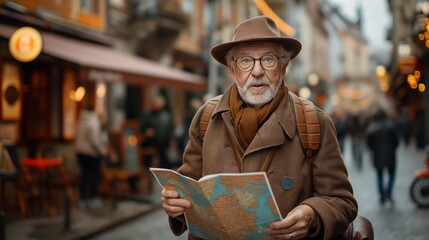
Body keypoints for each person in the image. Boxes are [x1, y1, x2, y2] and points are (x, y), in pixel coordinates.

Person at [161, 16, 357, 239]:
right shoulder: (206, 119)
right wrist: (175, 204)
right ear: (232, 71)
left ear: (283, 68)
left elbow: (343, 202)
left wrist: (313, 214)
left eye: (268, 60)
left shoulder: (314, 122)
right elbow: (189, 189)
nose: (256, 71)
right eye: (245, 61)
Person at [75, 104, 108, 209]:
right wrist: (102, 151)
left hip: (80, 152)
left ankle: (82, 199)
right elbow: (94, 140)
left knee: (84, 175)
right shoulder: (94, 122)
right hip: (91, 153)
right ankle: (93, 198)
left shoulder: (81, 120)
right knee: (94, 176)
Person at [366, 108, 400, 206]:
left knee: (379, 176)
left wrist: (374, 149)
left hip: (377, 155)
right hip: (390, 155)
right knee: (391, 174)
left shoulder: (372, 127)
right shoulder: (391, 126)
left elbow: (369, 143)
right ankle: (388, 193)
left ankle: (382, 196)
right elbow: (396, 141)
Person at [139, 95, 174, 168]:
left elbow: (170, 128)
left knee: (164, 158)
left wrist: (172, 140)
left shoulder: (166, 115)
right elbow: (142, 126)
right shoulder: (147, 114)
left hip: (164, 141)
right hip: (150, 141)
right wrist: (147, 131)